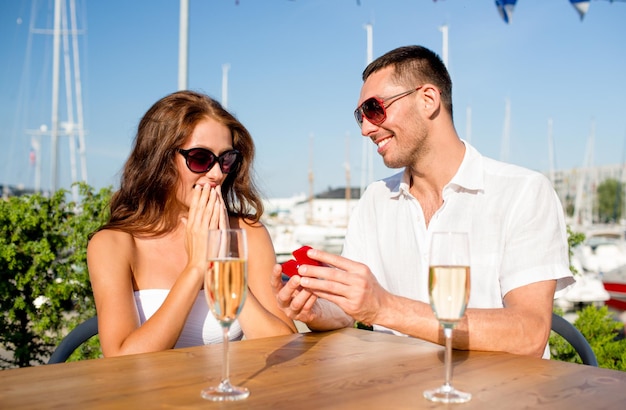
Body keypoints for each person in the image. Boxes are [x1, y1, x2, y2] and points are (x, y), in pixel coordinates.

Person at [271, 45, 574, 358]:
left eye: (374, 109)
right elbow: (347, 312)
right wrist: (314, 310)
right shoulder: (375, 200)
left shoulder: (523, 192)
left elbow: (528, 333)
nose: (365, 128)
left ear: (428, 100)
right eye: (359, 116)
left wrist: (384, 307)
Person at [88, 90, 296, 357]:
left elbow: (285, 347)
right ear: (160, 159)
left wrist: (222, 274)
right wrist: (197, 267)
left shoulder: (247, 232)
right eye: (200, 158)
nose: (217, 173)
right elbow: (121, 360)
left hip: (228, 391)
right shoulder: (114, 244)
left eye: (226, 159)